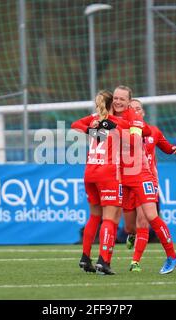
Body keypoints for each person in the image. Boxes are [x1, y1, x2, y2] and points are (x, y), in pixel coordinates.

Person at [111, 86, 176, 274]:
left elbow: (136, 138)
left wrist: (114, 127)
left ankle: (170, 257)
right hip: (122, 178)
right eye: (115, 98)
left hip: (141, 175)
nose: (117, 101)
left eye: (122, 99)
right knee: (129, 226)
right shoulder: (112, 117)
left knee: (149, 217)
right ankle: (126, 241)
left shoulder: (134, 121)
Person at [71, 90, 125, 275]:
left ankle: (85, 258)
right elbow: (135, 131)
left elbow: (74, 125)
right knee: (110, 218)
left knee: (95, 216)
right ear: (113, 103)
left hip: (90, 172)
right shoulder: (117, 121)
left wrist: (90, 130)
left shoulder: (95, 118)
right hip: (108, 173)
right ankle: (103, 260)